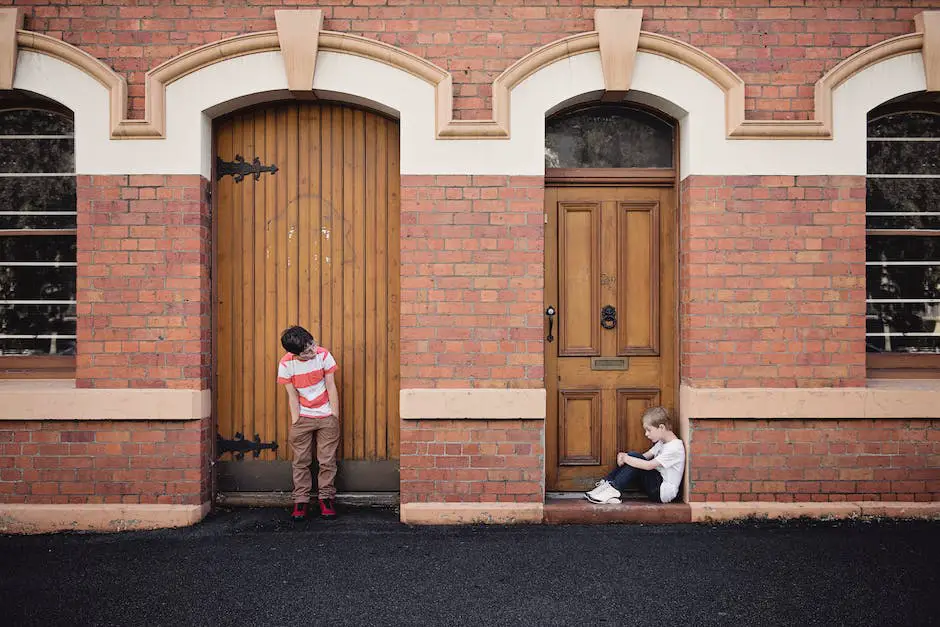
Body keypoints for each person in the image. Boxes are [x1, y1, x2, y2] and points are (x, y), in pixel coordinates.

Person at [277, 325, 341, 520]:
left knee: (327, 460)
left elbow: (331, 386)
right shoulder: (286, 364)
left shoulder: (323, 355)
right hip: (303, 418)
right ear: (294, 354)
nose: (313, 351)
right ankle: (301, 500)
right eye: (307, 351)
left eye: (312, 344)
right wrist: (296, 421)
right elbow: (292, 396)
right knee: (300, 461)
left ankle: (326, 498)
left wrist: (334, 416)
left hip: (326, 416)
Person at [585, 406, 685, 504]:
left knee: (634, 457)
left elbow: (648, 465)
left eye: (649, 430)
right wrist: (625, 456)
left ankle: (612, 490)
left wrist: (626, 458)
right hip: (655, 485)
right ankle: (606, 485)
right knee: (633, 456)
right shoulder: (662, 443)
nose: (646, 434)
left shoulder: (675, 448)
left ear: (661, 427)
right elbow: (644, 457)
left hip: (662, 492)